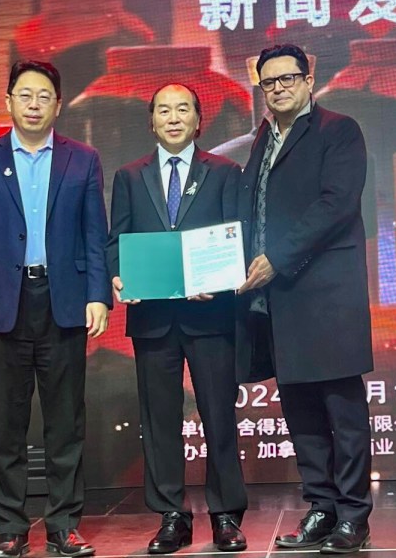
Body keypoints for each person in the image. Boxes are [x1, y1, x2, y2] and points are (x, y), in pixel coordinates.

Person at [0, 60, 110, 558]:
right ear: (8, 102)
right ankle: (10, 529)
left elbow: (95, 235)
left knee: (66, 420)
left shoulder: (82, 159)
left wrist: (98, 294)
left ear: (58, 105)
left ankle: (64, 525)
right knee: (8, 422)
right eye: (25, 95)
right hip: (3, 303)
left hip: (64, 300)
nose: (34, 104)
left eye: (44, 96)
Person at [236, 44, 374, 554]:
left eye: (287, 79)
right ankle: (322, 507)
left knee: (342, 410)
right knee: (300, 411)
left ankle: (353, 515)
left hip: (327, 294)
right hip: (280, 299)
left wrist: (276, 257)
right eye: (268, 82)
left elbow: (335, 205)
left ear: (308, 80)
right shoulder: (263, 138)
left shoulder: (339, 130)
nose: (278, 89)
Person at [106, 83, 248, 555]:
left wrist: (223, 280)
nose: (173, 117)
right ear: (151, 122)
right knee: (159, 421)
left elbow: (236, 236)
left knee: (219, 416)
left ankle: (226, 514)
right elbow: (116, 241)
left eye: (182, 109)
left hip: (211, 315)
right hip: (153, 318)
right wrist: (118, 275)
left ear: (198, 120)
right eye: (163, 110)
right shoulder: (129, 176)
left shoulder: (225, 172)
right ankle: (172, 516)